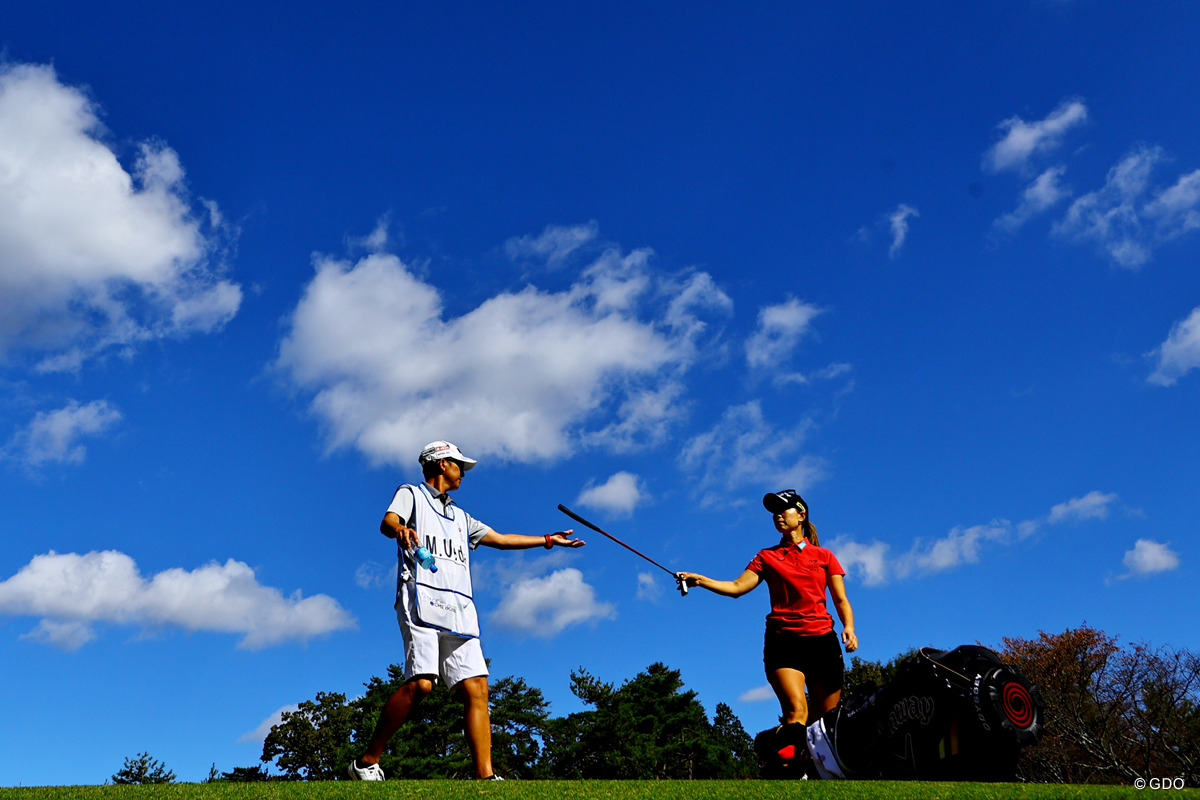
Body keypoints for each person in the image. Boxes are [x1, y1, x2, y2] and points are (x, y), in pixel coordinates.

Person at [348, 440, 585, 781]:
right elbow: (388, 522)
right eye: (459, 465)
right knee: (422, 686)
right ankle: (366, 761)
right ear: (442, 464)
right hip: (420, 599)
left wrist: (549, 540)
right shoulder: (411, 494)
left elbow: (501, 540)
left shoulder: (460, 516)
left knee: (477, 688)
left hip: (459, 607)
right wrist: (401, 529)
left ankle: (485, 778)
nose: (463, 472)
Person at [676, 490, 857, 727]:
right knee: (796, 713)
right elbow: (737, 587)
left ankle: (812, 763)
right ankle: (788, 761)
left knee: (825, 724)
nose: (777, 516)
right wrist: (701, 581)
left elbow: (840, 599)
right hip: (783, 642)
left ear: (801, 515)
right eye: (774, 513)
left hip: (823, 643)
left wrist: (849, 627)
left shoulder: (824, 556)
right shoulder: (767, 556)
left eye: (783, 510)